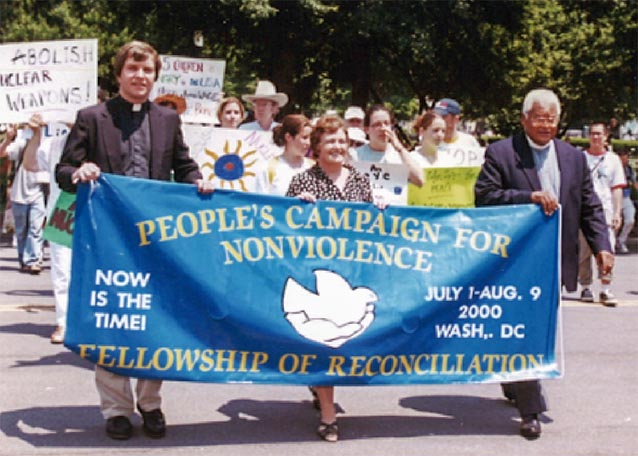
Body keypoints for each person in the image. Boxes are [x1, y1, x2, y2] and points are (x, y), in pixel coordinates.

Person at [56, 40, 214, 441]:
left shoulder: (167, 118)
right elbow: (63, 170)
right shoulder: (92, 117)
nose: (140, 76)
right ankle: (116, 409)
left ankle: (150, 403)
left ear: (155, 75)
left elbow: (183, 166)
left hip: (155, 240)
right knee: (114, 317)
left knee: (153, 318)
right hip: (106, 240)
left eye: (147, 70)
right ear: (119, 74)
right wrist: (81, 169)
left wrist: (199, 182)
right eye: (133, 69)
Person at [474, 88, 613, 439]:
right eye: (539, 118)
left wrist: (602, 247)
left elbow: (590, 206)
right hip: (515, 262)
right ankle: (530, 410)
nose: (546, 125)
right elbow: (485, 197)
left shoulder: (573, 157)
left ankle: (517, 381)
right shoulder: (501, 153)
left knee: (537, 331)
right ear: (524, 119)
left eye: (552, 119)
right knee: (527, 331)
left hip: (556, 260)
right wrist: (528, 198)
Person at [286, 115, 386, 442]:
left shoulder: (359, 180)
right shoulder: (303, 181)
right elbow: (283, 226)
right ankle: (328, 414)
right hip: (318, 273)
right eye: (330, 141)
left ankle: (319, 385)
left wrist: (380, 206)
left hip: (352, 273)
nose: (338, 146)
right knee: (327, 339)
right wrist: (296, 207)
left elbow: (373, 223)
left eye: (342, 141)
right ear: (316, 147)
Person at [19, 113, 73, 344]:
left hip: (96, 216)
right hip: (63, 214)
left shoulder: (102, 139)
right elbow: (31, 164)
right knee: (62, 271)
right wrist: (36, 134)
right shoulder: (54, 144)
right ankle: (64, 322)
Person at [577, 122, 625, 306]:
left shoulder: (613, 160)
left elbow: (617, 188)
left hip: (605, 212)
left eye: (599, 134)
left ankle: (605, 289)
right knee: (583, 252)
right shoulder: (580, 158)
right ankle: (585, 287)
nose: (596, 137)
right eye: (592, 134)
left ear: (606, 137)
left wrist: (617, 212)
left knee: (607, 250)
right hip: (584, 213)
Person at [0, 115, 48, 275]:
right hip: (19, 193)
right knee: (21, 230)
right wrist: (8, 139)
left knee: (36, 228)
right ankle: (23, 260)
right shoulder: (22, 143)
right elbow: (2, 153)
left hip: (38, 192)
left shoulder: (47, 144)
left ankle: (33, 261)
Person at [353, 105, 424, 186]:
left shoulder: (401, 155)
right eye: (377, 124)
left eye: (386, 123)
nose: (383, 128)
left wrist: (399, 148)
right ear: (366, 130)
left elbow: (420, 180)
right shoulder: (355, 156)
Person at [267, 114, 314, 195]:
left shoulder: (313, 167)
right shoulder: (269, 168)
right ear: (288, 137)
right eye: (304, 137)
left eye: (310, 138)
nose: (308, 143)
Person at [433, 98, 483, 166]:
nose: (438, 119)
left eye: (443, 116)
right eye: (435, 116)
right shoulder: (430, 142)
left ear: (455, 119)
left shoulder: (469, 141)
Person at [616, 148, 637, 253]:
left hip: (625, 198)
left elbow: (635, 183)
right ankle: (611, 242)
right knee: (613, 222)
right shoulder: (613, 169)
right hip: (613, 198)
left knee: (630, 220)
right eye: (622, 160)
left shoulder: (629, 169)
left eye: (625, 160)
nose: (624, 162)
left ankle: (621, 240)